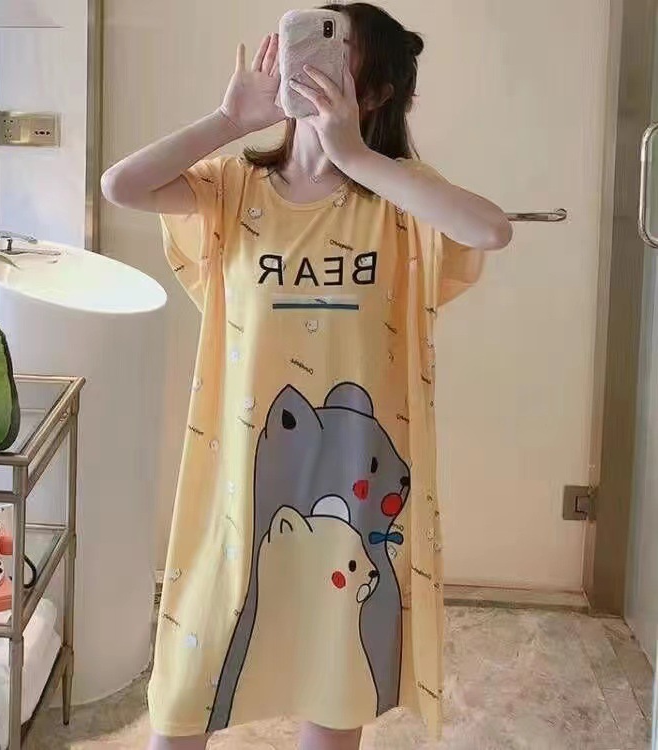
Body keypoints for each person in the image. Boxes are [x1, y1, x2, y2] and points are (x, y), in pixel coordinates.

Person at [102, 4, 512, 749]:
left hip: (356, 488)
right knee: (187, 693)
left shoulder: (398, 198)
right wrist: (229, 121)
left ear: (376, 91)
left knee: (334, 681)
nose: (313, 62)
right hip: (239, 483)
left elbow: (490, 229)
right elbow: (120, 185)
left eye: (340, 51)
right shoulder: (232, 188)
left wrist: (354, 156)